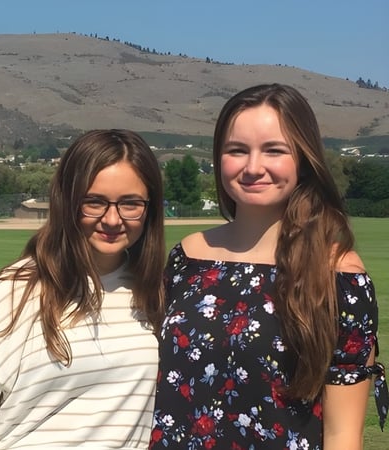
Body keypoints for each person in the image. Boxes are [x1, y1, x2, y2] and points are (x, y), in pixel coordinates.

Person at [150, 83, 388, 450]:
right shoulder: (187, 257)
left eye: (274, 150)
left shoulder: (339, 276)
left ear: (304, 159)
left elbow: (342, 434)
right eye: (237, 150)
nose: (252, 167)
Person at [0, 129, 166, 449]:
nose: (112, 219)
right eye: (94, 202)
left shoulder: (154, 293)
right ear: (67, 201)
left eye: (130, 203)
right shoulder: (15, 292)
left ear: (150, 208)